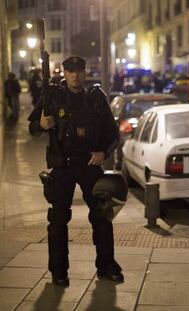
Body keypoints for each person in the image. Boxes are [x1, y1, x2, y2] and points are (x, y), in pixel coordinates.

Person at [28, 56, 123, 287]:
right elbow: (32, 127)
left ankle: (106, 265)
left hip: (89, 164)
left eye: (79, 70)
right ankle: (59, 271)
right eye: (70, 71)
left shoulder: (96, 98)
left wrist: (103, 154)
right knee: (58, 220)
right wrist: (41, 125)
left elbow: (113, 133)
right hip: (62, 165)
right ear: (64, 72)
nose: (75, 75)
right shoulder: (53, 96)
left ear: (85, 72)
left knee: (102, 215)